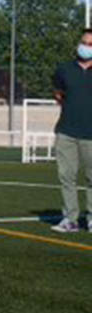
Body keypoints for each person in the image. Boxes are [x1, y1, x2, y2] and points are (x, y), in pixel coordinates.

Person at [51, 28, 92, 233]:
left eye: (90, 44)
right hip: (66, 132)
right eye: (84, 42)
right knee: (67, 177)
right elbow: (58, 94)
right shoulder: (64, 69)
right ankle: (70, 219)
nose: (86, 47)